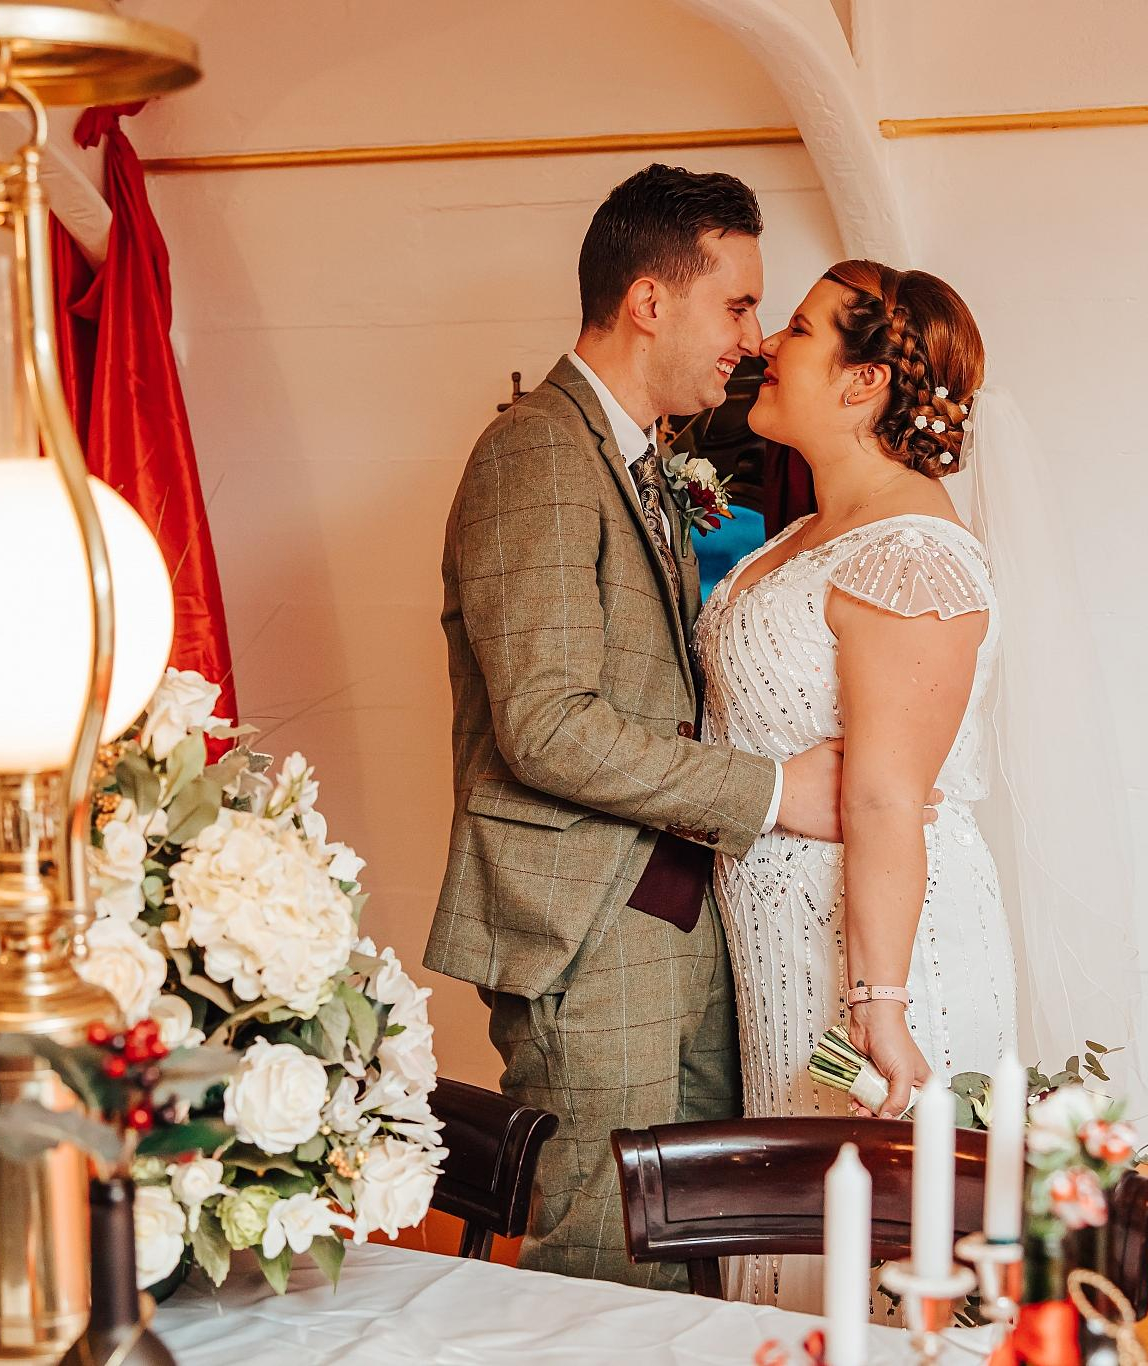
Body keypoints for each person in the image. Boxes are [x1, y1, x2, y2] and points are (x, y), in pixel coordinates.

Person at [424, 164, 845, 1288]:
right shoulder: (536, 454)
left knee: (698, 1260)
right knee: (605, 1266)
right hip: (587, 932)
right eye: (739, 303)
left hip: (675, 920)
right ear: (649, 301)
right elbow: (548, 727)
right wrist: (770, 792)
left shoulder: (641, 454)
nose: (752, 338)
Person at [698, 259, 1016, 1308]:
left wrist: (879, 1003)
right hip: (782, 931)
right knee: (794, 1243)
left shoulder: (910, 557)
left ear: (860, 381)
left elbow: (885, 797)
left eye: (794, 328)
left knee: (866, 1257)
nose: (762, 347)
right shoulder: (803, 535)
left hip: (880, 954)